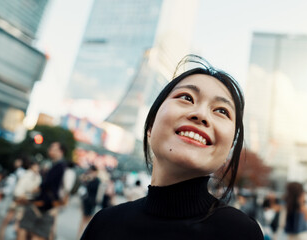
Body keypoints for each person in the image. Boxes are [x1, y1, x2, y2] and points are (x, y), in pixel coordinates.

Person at [80, 55, 264, 240]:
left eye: (221, 111)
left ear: (229, 149)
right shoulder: (104, 224)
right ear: (151, 126)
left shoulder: (241, 233)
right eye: (186, 97)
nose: (200, 114)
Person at [18, 141, 67, 240]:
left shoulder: (59, 166)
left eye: (53, 149)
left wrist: (33, 191)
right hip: (47, 205)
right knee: (36, 234)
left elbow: (46, 185)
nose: (50, 151)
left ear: (60, 152)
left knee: (26, 230)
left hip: (43, 205)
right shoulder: (56, 165)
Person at [78, 165, 101, 238]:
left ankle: (86, 236)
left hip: (92, 202)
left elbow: (97, 192)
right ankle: (79, 236)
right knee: (84, 219)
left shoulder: (97, 180)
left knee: (89, 220)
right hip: (86, 201)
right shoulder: (87, 178)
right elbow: (82, 182)